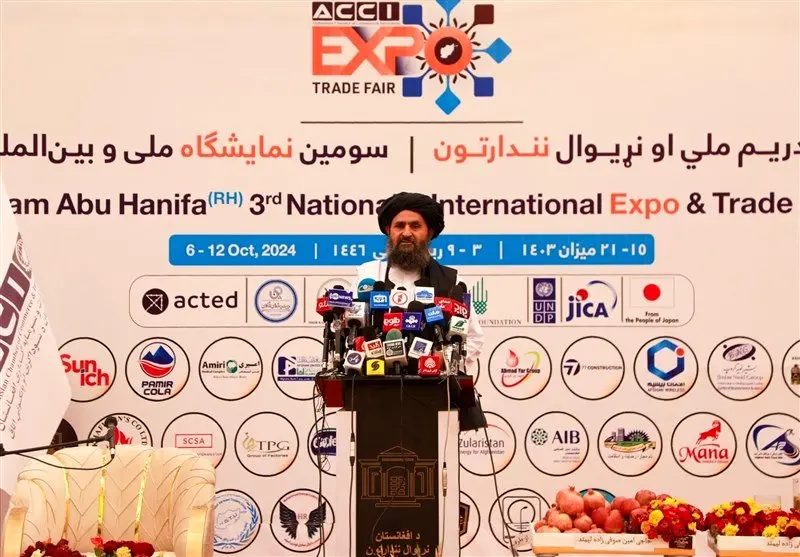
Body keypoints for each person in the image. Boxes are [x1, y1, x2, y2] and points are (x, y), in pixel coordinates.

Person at [354, 191, 484, 369]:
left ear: (429, 233)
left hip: (432, 381)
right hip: (373, 378)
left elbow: (474, 338)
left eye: (415, 226)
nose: (406, 233)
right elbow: (345, 329)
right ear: (389, 230)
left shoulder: (451, 281)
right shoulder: (369, 274)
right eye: (399, 226)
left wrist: (441, 361)